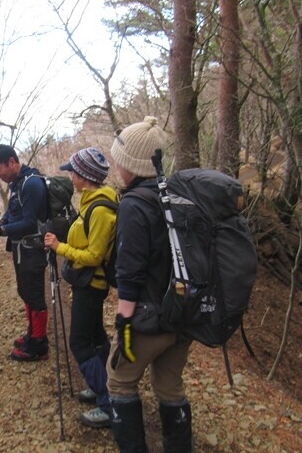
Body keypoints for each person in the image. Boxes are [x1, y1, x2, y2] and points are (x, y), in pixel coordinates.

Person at [107, 116, 193, 452]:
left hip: (148, 318)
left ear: (132, 163)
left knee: (119, 381)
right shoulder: (176, 196)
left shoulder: (133, 204)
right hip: (184, 313)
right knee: (170, 385)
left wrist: (124, 319)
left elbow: (130, 269)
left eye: (119, 159)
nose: (116, 164)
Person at [43, 147, 117, 429]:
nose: (70, 177)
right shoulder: (91, 202)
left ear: (84, 176)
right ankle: (103, 385)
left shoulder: (98, 208)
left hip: (91, 284)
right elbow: (84, 239)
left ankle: (108, 402)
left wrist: (60, 247)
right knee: (97, 338)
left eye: (72, 172)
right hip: (89, 283)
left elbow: (95, 255)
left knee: (80, 343)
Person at [0, 144, 49, 361]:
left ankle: (39, 343)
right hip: (21, 249)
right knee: (25, 291)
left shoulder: (32, 184)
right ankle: (32, 333)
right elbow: (12, 215)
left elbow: (29, 223)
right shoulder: (16, 185)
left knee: (35, 294)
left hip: (34, 248)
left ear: (12, 162)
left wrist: (2, 230)